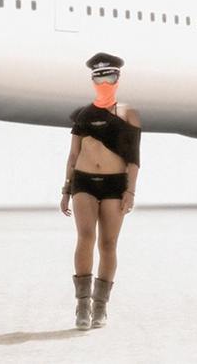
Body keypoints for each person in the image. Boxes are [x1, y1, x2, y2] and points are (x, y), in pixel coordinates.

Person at [60, 52, 141, 330]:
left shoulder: (129, 114)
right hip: (83, 181)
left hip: (115, 185)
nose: (104, 82)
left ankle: (100, 307)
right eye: (99, 77)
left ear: (118, 79)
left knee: (108, 245)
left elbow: (134, 158)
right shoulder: (83, 115)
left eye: (110, 76)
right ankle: (82, 306)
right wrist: (66, 190)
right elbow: (73, 155)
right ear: (93, 80)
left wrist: (130, 192)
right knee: (85, 238)